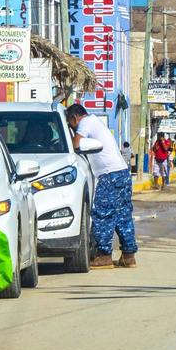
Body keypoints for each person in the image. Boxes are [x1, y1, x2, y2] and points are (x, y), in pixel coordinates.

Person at [66, 103, 137, 268]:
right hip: (121, 173)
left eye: (71, 124)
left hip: (109, 175)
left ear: (74, 118)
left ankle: (104, 256)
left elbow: (76, 145)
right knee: (122, 215)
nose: (73, 127)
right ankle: (129, 256)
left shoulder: (85, 123)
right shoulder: (95, 122)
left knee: (103, 215)